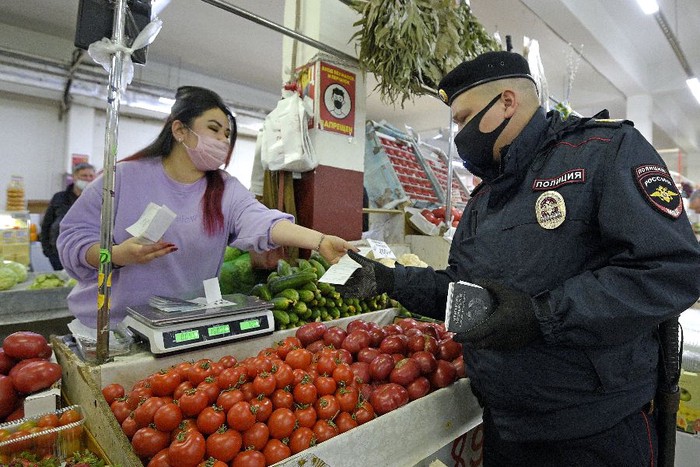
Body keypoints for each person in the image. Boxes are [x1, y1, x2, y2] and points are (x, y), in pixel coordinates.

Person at [337, 51, 700, 466]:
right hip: (507, 431)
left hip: (595, 434)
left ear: (507, 102)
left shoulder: (604, 151)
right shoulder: (485, 198)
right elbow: (464, 294)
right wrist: (391, 280)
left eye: (464, 118)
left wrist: (540, 315)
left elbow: (670, 270)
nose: (460, 134)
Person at [58, 86, 355, 329]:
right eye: (214, 129)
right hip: (112, 327)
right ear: (180, 130)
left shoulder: (224, 190)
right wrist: (118, 255)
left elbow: (264, 221)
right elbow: (73, 240)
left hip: (182, 326)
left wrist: (319, 240)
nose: (222, 140)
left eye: (227, 135)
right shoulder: (122, 177)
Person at [40, 162, 96, 270]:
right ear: (74, 177)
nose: (88, 179)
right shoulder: (59, 197)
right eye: (84, 176)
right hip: (58, 253)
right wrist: (47, 251)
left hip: (86, 254)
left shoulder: (98, 199)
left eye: (91, 176)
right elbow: (46, 224)